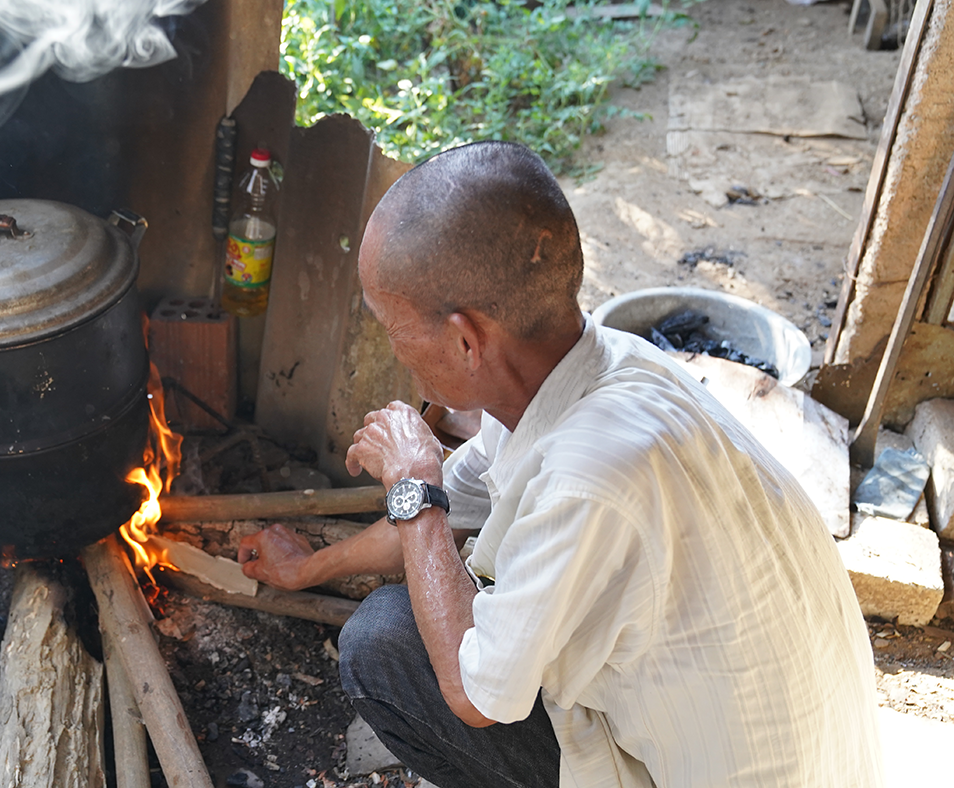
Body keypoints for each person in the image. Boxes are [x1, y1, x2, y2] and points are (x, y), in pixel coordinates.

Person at [237, 141, 882, 788]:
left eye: (390, 326)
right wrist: (309, 568)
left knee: (382, 645)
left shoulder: (587, 476)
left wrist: (413, 486)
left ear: (465, 341)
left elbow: (475, 694)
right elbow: (452, 505)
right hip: (807, 749)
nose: (392, 347)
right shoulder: (590, 364)